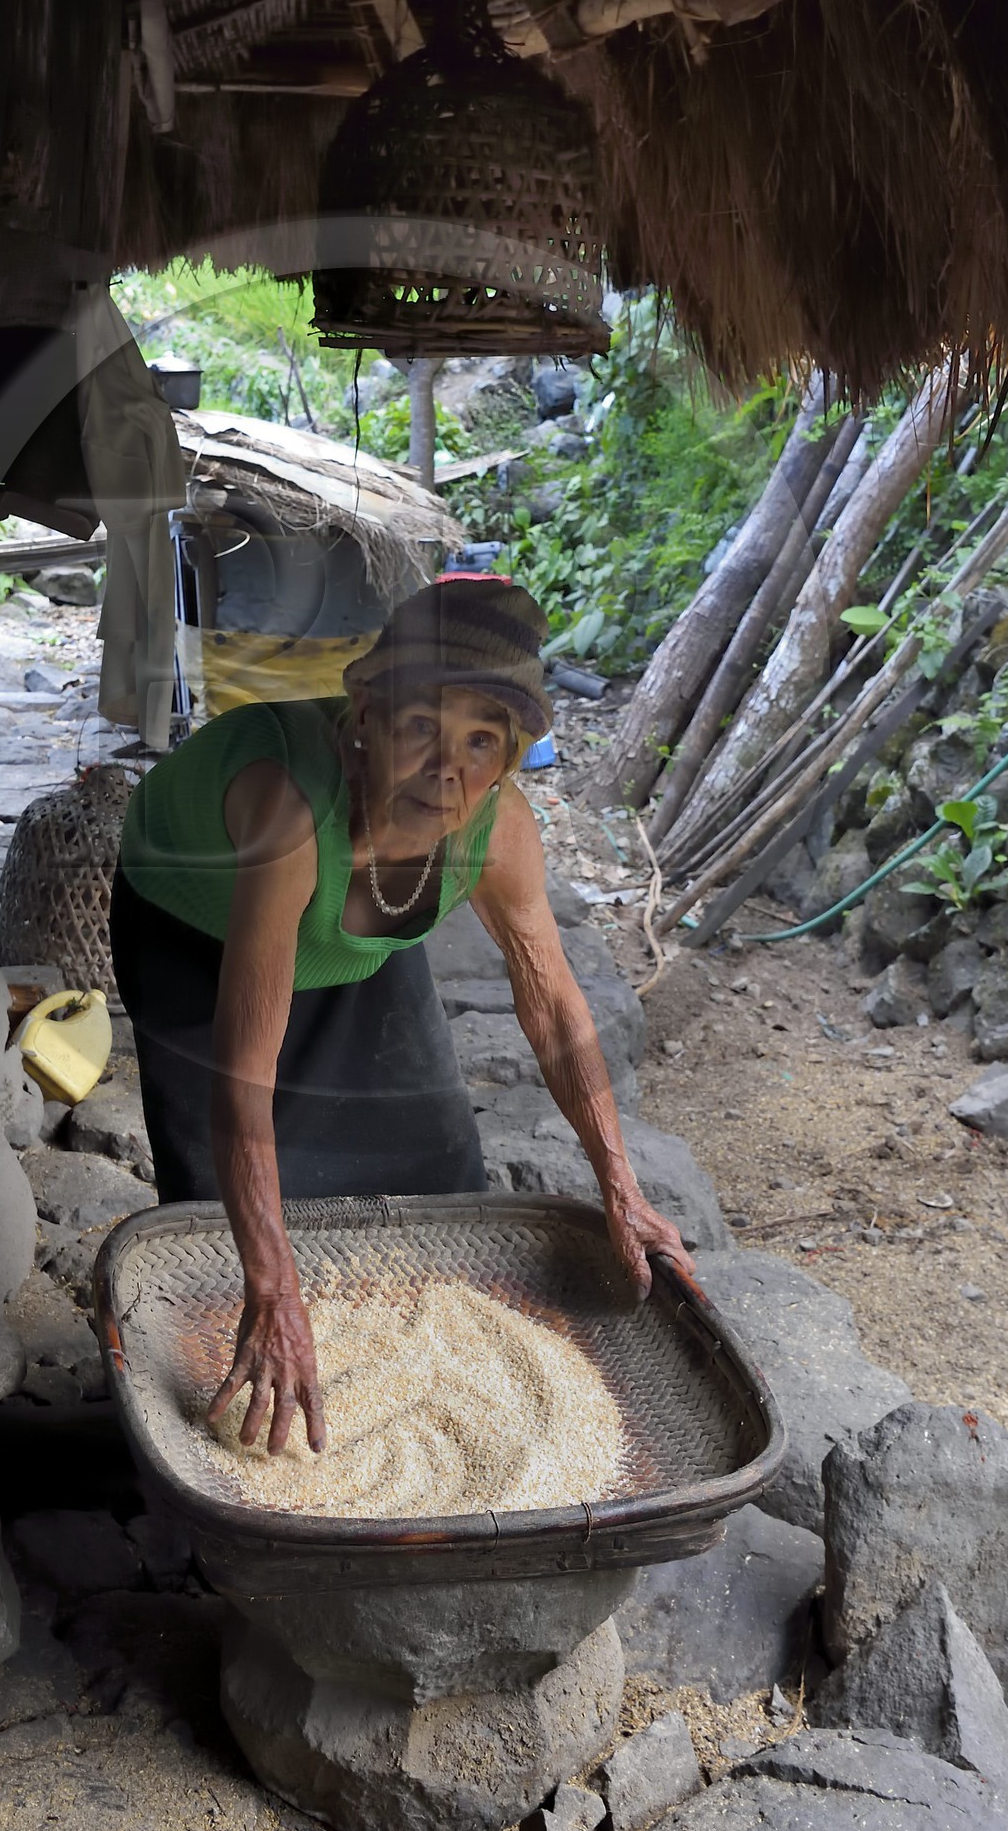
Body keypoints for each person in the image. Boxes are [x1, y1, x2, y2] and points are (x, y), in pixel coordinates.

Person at [110, 576, 695, 1460]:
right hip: (195, 920)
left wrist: (621, 1186)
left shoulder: (497, 832)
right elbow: (246, 1083)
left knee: (432, 1155)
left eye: (481, 741)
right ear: (366, 711)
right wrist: (273, 1289)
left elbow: (555, 1007)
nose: (446, 767)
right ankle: (245, 1378)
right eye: (422, 724)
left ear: (506, 759)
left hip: (350, 926)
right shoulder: (289, 806)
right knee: (219, 1210)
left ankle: (403, 1353)